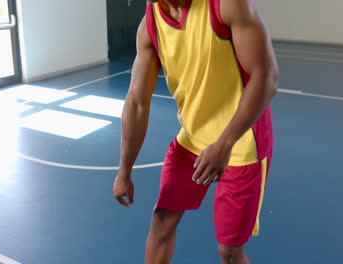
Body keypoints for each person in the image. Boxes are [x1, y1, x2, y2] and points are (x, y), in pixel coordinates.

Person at [113, 0, 279, 263]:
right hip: (192, 140)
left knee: (230, 252)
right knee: (162, 221)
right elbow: (136, 102)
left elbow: (266, 76)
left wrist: (224, 145)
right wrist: (124, 170)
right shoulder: (151, 26)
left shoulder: (226, 5)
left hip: (241, 144)